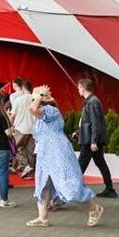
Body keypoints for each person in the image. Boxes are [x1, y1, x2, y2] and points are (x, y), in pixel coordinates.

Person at [25, 86, 104, 229]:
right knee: (43, 185)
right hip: (45, 155)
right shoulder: (41, 117)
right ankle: (43, 218)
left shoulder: (51, 111)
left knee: (68, 185)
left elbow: (32, 109)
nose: (32, 101)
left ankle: (93, 209)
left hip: (58, 153)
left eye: (34, 98)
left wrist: (40, 95)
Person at [76, 78, 118, 198]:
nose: (78, 90)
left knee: (81, 165)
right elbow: (89, 122)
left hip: (90, 140)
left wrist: (93, 141)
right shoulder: (91, 101)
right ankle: (109, 188)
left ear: (83, 89)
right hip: (91, 139)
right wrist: (78, 132)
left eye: (79, 88)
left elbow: (95, 122)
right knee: (100, 163)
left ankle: (72, 189)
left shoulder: (92, 102)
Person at [9, 78, 36, 178]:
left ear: (23, 88)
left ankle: (25, 167)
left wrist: (10, 126)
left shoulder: (18, 100)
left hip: (20, 128)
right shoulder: (35, 99)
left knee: (18, 149)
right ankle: (31, 170)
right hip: (33, 129)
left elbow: (12, 115)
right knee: (31, 151)